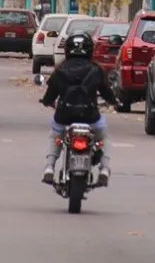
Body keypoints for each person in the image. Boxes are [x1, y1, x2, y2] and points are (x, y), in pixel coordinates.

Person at [39, 31, 118, 186]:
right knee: (103, 137)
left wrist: (47, 101)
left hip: (64, 116)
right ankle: (104, 169)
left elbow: (49, 96)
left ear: (67, 49)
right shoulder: (96, 70)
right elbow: (107, 93)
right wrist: (114, 102)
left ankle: (49, 167)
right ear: (90, 50)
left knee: (55, 135)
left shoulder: (60, 71)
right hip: (91, 117)